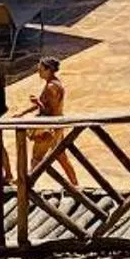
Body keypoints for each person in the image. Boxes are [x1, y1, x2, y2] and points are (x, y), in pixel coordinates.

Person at [23, 57, 78, 185]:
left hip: (50, 127)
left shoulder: (52, 87)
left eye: (41, 70)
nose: (39, 72)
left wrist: (37, 102)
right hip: (56, 127)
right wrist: (24, 112)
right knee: (61, 157)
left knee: (37, 158)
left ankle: (28, 187)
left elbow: (49, 111)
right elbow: (45, 104)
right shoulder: (52, 83)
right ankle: (75, 185)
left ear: (49, 70)